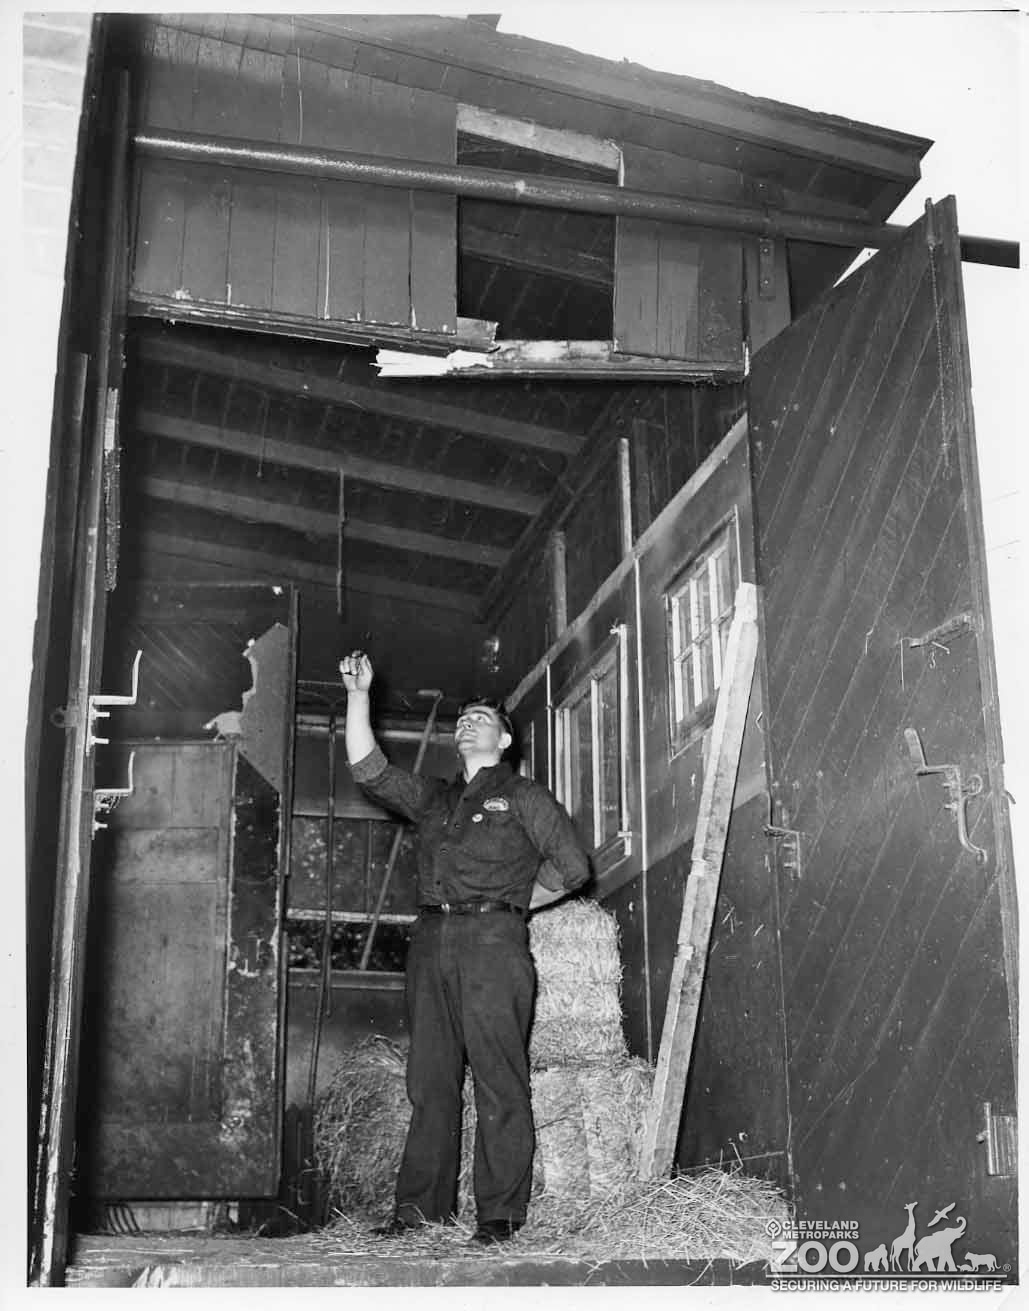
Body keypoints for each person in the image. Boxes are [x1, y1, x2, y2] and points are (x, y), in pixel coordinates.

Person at [339, 650, 590, 1245]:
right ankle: (419, 1214)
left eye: (482, 718)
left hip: (493, 945)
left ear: (504, 739)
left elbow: (573, 867)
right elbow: (370, 770)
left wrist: (511, 905)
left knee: (499, 1079)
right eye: (462, 719)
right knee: (429, 1081)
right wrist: (358, 696)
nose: (467, 723)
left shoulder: (524, 796)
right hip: (431, 942)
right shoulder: (435, 798)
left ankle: (499, 1215)